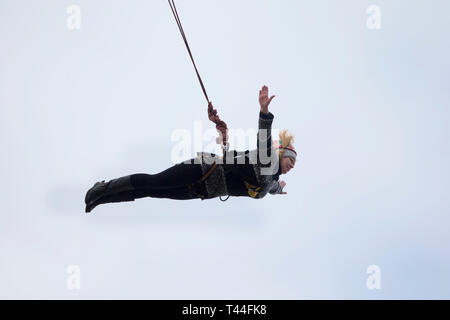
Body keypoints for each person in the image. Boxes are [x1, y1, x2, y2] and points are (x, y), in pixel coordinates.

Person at [84, 85, 297, 213]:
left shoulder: (270, 182)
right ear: (281, 153)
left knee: (151, 192)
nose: (292, 166)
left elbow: (271, 188)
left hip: (202, 191)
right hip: (205, 170)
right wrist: (264, 110)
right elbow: (264, 136)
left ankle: (101, 199)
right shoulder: (267, 158)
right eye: (291, 160)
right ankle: (104, 188)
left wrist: (279, 189)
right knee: (154, 181)